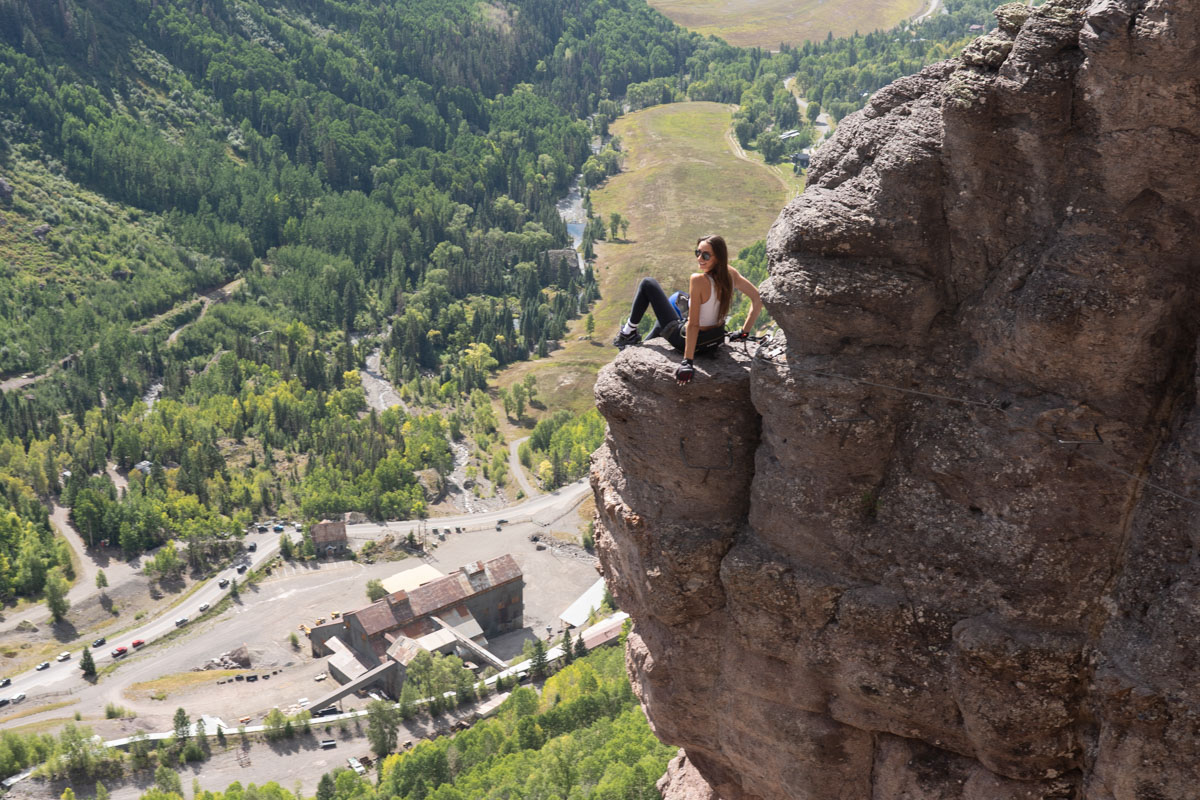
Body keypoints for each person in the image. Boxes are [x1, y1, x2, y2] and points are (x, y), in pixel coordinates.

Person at [612, 234, 763, 384]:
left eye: (705, 255)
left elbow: (693, 325)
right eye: (697, 253)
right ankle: (641, 346)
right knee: (677, 299)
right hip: (715, 339)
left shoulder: (698, 280)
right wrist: (743, 333)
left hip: (690, 342)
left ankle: (628, 334)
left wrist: (687, 362)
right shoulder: (730, 273)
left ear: (717, 257)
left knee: (648, 283)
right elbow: (757, 299)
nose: (699, 259)